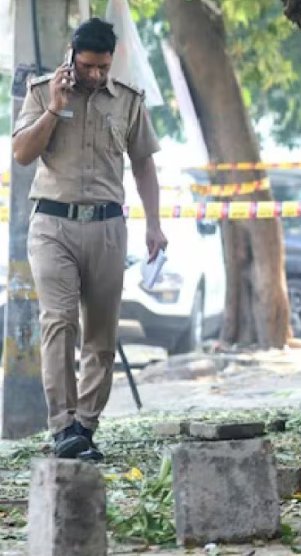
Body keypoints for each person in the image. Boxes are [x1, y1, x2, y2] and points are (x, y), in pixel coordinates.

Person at [11, 18, 167, 461]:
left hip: (106, 227)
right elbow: (22, 154)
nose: (94, 75)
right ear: (71, 58)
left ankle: (85, 425)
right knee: (59, 321)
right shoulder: (44, 91)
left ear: (111, 60)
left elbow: (143, 164)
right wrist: (54, 107)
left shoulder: (129, 101)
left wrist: (154, 224)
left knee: (101, 331)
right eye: (86, 66)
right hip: (52, 226)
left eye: (102, 67)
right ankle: (61, 425)